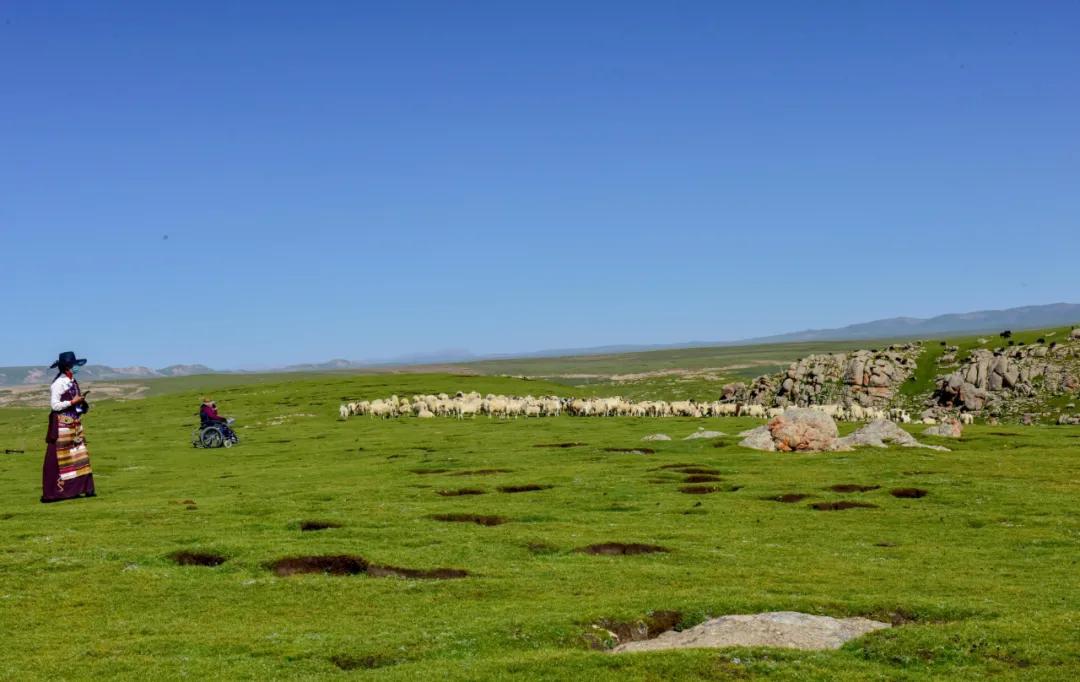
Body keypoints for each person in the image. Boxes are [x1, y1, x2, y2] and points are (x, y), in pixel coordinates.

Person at [42, 351, 95, 503]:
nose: (77, 367)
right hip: (62, 425)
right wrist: (72, 402)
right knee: (60, 457)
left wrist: (80, 404)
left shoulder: (72, 381)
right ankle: (57, 491)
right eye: (74, 365)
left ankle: (81, 488)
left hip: (74, 424)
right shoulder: (58, 384)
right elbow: (55, 405)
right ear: (67, 366)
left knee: (78, 455)